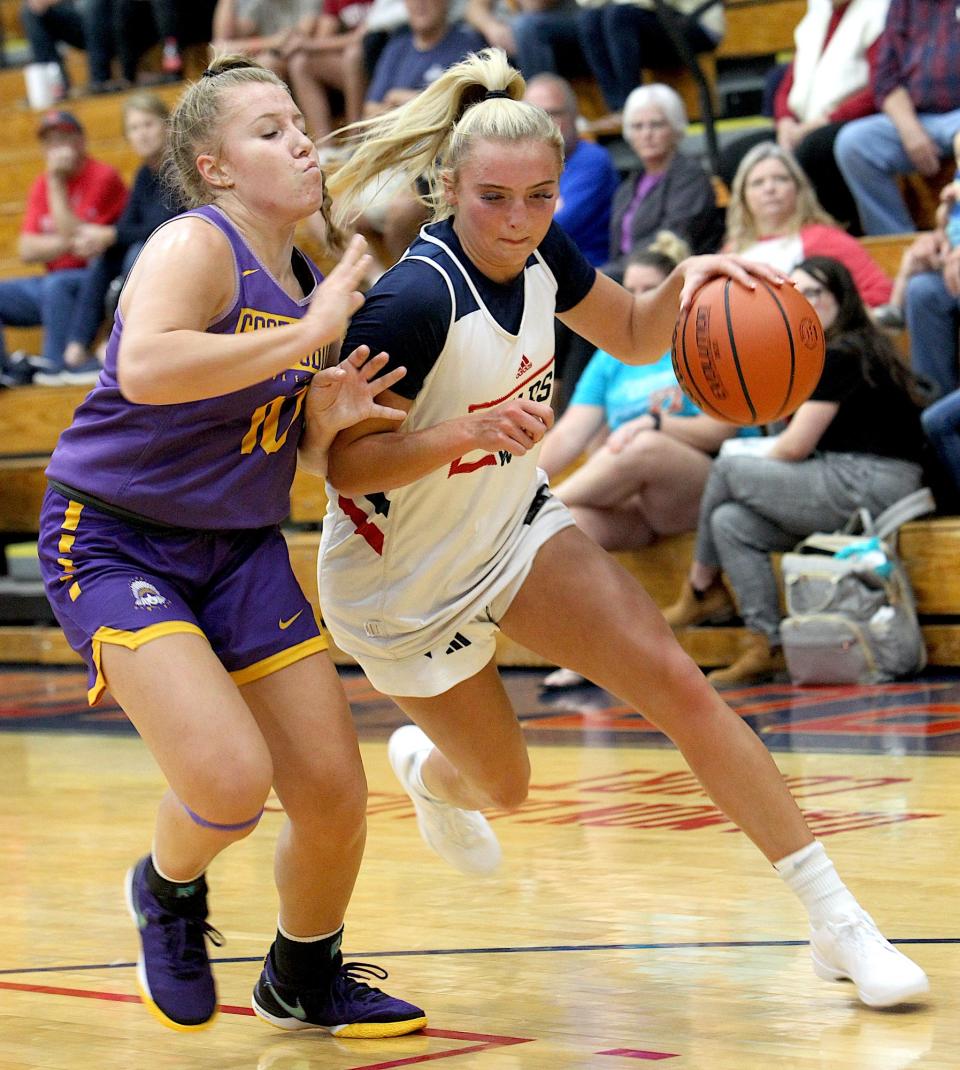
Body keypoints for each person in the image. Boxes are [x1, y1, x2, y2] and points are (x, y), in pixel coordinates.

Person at [321, 47, 929, 1009]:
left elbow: (641, 335)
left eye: (540, 197)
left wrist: (698, 279)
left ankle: (839, 923)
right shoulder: (410, 304)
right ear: (448, 188)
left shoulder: (542, 252)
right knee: (505, 786)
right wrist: (462, 431)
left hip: (514, 525)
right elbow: (341, 465)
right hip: (401, 579)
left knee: (680, 689)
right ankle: (432, 773)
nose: (520, 220)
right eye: (494, 199)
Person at [35, 56, 425, 1038]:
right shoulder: (194, 244)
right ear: (213, 166)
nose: (300, 139)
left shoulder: (309, 277)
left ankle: (304, 972)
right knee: (225, 780)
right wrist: (309, 341)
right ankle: (164, 890)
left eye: (299, 122)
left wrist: (328, 419)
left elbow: (292, 452)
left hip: (239, 543)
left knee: (334, 795)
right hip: (117, 538)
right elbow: (150, 364)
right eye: (268, 129)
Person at [663, 255, 933, 685]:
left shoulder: (843, 351)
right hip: (849, 479)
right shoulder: (815, 355)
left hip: (876, 481)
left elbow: (793, 448)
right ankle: (765, 645)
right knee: (731, 522)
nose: (805, 301)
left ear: (841, 300)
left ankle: (699, 588)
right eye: (798, 292)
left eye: (816, 292)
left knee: (730, 467)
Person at [538, 237, 753, 689]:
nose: (640, 301)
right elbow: (569, 434)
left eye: (653, 288)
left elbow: (722, 430)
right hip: (637, 505)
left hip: (703, 489)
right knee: (567, 525)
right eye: (631, 290)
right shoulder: (611, 356)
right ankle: (595, 654)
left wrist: (657, 424)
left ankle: (525, 510)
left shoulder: (707, 338)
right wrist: (516, 474)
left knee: (641, 448)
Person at [717, 0, 890, 235]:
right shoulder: (817, 15)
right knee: (733, 157)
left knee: (812, 149)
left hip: (852, 120)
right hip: (803, 123)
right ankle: (764, 235)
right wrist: (785, 121)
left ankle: (833, 233)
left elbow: (881, 87)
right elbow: (788, 80)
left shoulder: (879, 11)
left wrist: (824, 121)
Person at [59, 92, 182, 381]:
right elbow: (128, 225)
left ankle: (122, 344)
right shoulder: (143, 175)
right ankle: (76, 350)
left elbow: (165, 224)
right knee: (109, 255)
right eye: (134, 128)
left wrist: (110, 233)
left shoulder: (181, 167)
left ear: (167, 126)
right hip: (156, 250)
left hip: (182, 253)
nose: (141, 134)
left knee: (133, 253)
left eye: (148, 124)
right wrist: (104, 238)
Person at [0, 110, 127, 387]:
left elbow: (81, 243)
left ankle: (57, 366)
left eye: (64, 138)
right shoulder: (40, 183)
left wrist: (56, 184)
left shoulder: (103, 176)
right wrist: (67, 242)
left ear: (80, 141)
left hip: (96, 280)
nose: (57, 148)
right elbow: (27, 249)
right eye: (50, 141)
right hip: (52, 283)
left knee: (57, 285)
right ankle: (4, 371)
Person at [833, 0, 960, 236]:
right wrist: (909, 128)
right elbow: (885, 77)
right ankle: (897, 244)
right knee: (854, 143)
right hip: (917, 116)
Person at [725, 142, 892, 307]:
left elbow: (879, 294)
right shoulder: (731, 251)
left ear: (799, 189)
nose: (769, 188)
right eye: (758, 183)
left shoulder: (826, 239)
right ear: (742, 196)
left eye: (780, 179)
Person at [606, 83, 718, 279]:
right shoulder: (628, 186)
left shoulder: (690, 177)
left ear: (675, 128)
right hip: (627, 276)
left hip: (668, 277)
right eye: (637, 126)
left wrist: (609, 274)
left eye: (656, 124)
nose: (646, 134)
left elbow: (670, 241)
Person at [575, 0, 724, 116]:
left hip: (697, 21)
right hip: (653, 23)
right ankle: (618, 108)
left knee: (619, 15)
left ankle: (635, 106)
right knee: (588, 20)